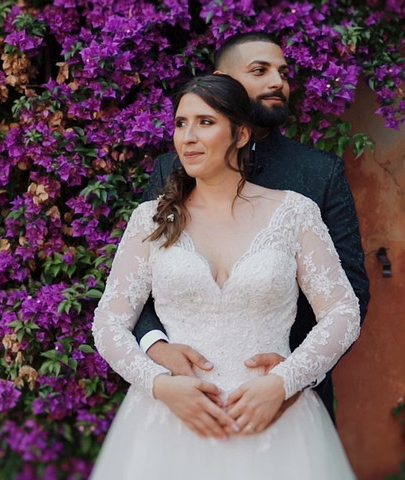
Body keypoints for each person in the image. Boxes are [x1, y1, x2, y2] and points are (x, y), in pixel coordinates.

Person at [90, 74, 360, 479]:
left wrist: (285, 381)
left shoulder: (294, 212)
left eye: (205, 122)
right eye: (181, 123)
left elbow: (342, 310)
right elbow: (109, 322)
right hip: (170, 424)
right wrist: (160, 385)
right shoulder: (151, 218)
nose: (188, 137)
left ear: (240, 133)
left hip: (273, 422)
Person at [133, 31, 371, 433]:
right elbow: (139, 283)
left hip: (284, 404)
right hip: (184, 399)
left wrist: (293, 377)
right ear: (219, 82)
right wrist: (156, 347)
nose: (277, 82)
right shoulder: (170, 169)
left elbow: (350, 291)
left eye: (283, 72)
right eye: (259, 71)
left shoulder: (319, 173)